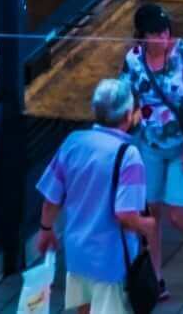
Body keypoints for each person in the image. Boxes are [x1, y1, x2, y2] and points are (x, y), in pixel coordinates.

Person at [33, 77, 155, 311]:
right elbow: (126, 215)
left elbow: (51, 198)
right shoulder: (129, 156)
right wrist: (147, 225)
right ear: (128, 115)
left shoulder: (73, 142)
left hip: (78, 256)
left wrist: (46, 229)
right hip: (110, 262)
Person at [122, 3, 183, 287]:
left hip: (182, 144)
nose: (163, 37)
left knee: (177, 213)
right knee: (151, 212)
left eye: (165, 31)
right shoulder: (133, 60)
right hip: (150, 145)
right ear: (142, 36)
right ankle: (156, 277)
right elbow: (127, 100)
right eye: (155, 33)